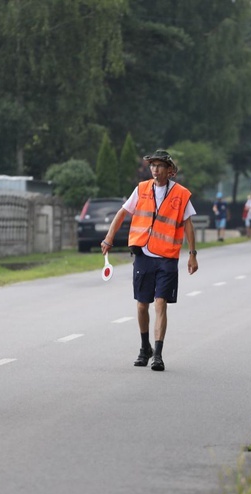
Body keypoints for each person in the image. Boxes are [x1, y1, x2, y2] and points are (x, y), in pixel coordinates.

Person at [101, 150, 198, 372]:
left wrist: (192, 254)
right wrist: (108, 238)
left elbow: (188, 224)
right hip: (143, 254)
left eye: (160, 165)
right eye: (152, 165)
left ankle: (158, 355)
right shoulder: (142, 189)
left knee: (161, 303)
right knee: (142, 305)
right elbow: (122, 213)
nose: (155, 169)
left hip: (167, 257)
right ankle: (144, 348)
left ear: (169, 170)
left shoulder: (181, 194)